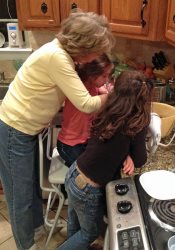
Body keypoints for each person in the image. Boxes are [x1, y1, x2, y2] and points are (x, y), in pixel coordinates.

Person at [0, 11, 115, 250]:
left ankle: (37, 230)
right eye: (97, 49)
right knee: (19, 196)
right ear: (85, 46)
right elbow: (86, 103)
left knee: (29, 187)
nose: (97, 55)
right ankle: (26, 245)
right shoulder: (57, 57)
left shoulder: (61, 55)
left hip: (26, 129)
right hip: (14, 128)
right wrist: (116, 95)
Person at [57, 71, 154, 250]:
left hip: (74, 173)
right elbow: (140, 159)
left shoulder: (108, 110)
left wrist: (125, 153)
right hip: (88, 188)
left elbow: (108, 143)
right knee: (89, 234)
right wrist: (132, 154)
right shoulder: (137, 122)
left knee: (75, 223)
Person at [57, 53, 114, 167]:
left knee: (97, 165)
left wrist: (106, 89)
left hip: (84, 143)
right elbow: (91, 103)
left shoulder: (92, 85)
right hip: (69, 146)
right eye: (104, 76)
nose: (106, 79)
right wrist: (113, 94)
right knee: (87, 170)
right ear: (92, 75)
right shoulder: (80, 90)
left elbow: (100, 88)